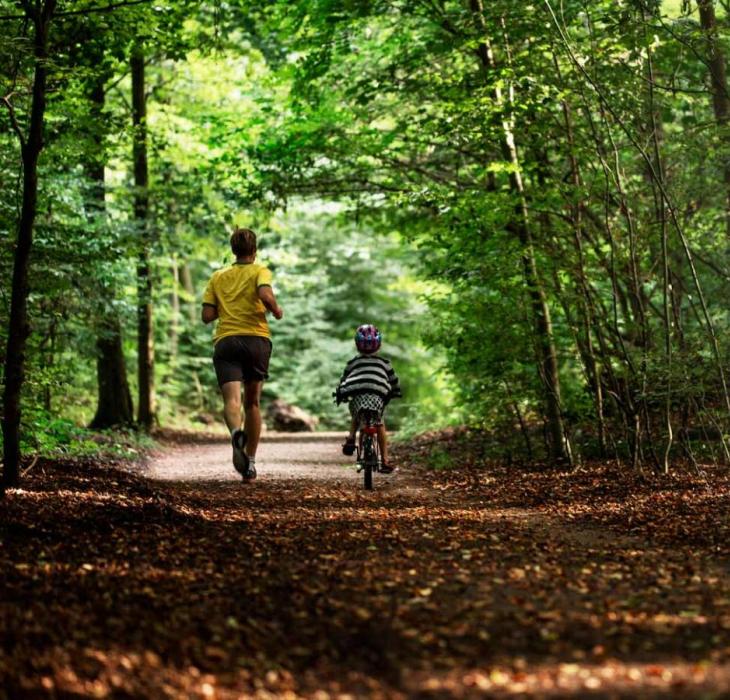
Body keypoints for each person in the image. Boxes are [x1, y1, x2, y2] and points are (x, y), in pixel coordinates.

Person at [202, 227, 283, 481]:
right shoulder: (260, 270)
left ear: (233, 251)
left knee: (232, 401)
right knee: (253, 402)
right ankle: (249, 463)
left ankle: (236, 431)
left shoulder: (218, 277)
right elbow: (264, 293)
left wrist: (227, 305)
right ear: (255, 251)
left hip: (227, 341)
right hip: (256, 340)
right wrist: (276, 310)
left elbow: (207, 316)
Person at [335, 324, 401, 473]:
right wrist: (396, 391)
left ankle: (351, 438)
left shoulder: (352, 363)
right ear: (379, 345)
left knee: (357, 414)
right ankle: (385, 460)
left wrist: (340, 393)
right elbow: (393, 381)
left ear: (357, 345)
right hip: (377, 396)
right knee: (380, 424)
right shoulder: (385, 363)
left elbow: (343, 380)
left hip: (357, 394)